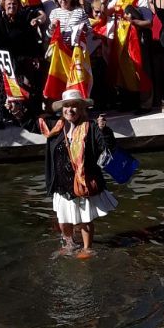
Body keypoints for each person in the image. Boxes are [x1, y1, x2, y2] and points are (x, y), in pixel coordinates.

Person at [43, 88, 114, 257]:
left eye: (74, 106)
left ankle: (87, 248)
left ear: (82, 109)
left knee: (85, 218)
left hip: (82, 181)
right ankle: (69, 244)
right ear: (62, 109)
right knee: (63, 219)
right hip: (61, 182)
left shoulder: (91, 127)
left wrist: (104, 130)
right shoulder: (56, 127)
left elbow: (106, 147)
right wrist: (18, 111)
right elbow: (31, 123)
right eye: (66, 106)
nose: (70, 110)